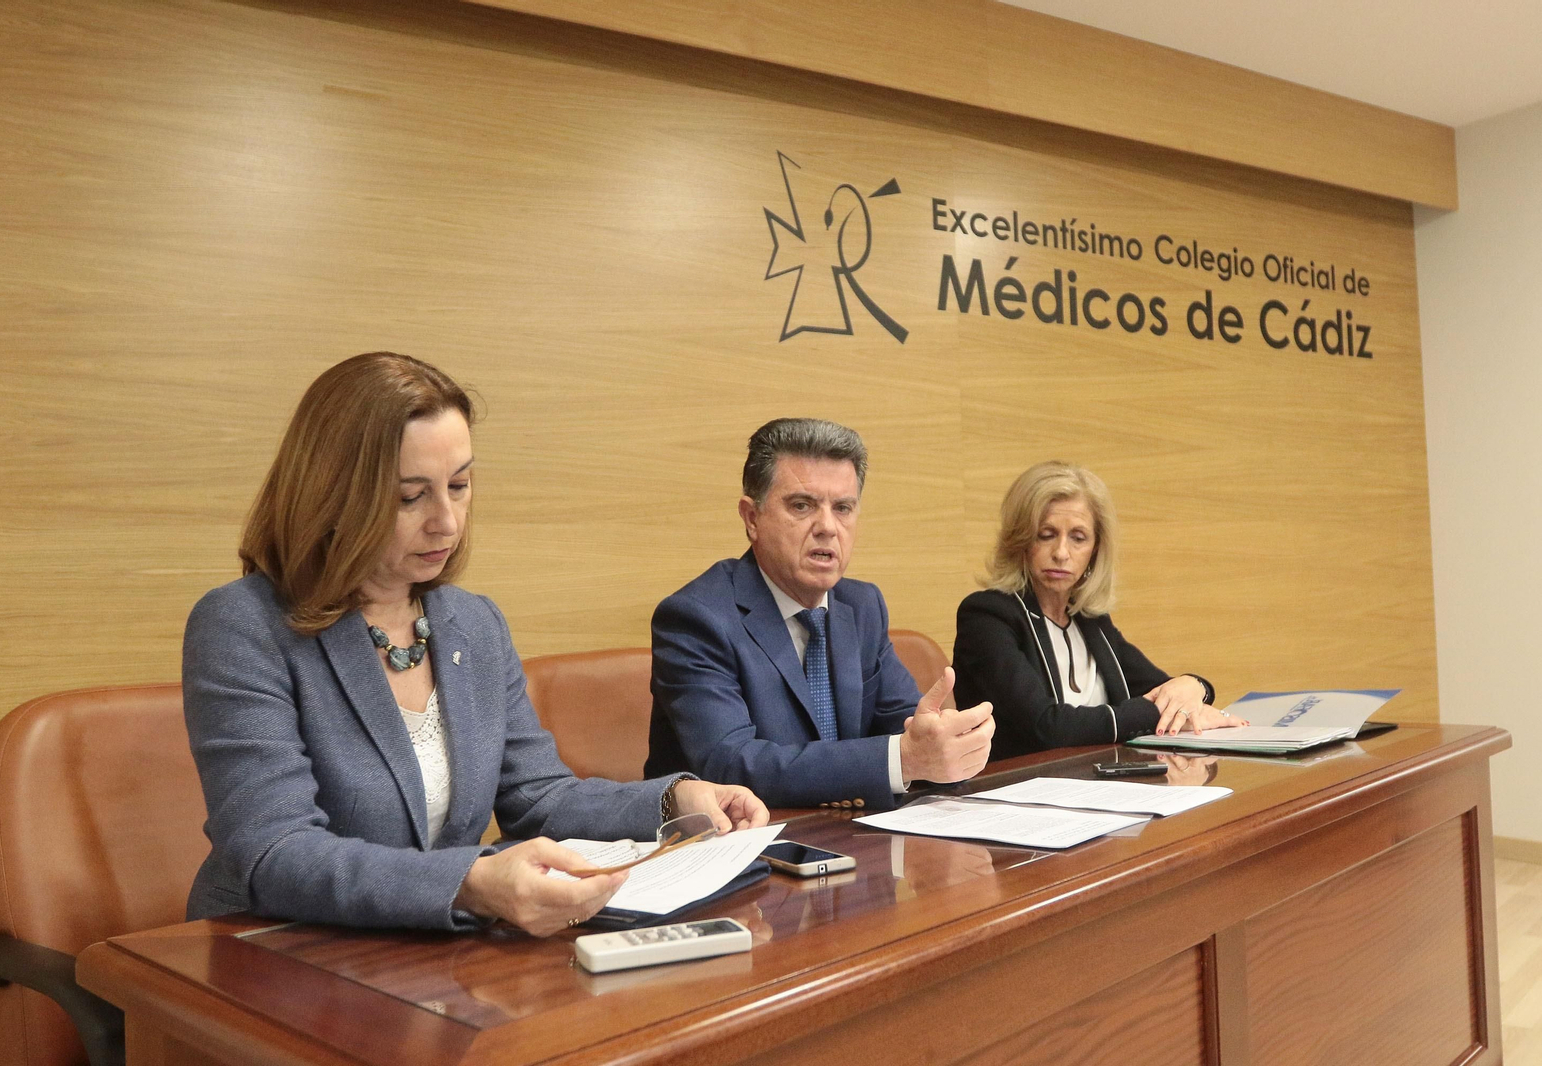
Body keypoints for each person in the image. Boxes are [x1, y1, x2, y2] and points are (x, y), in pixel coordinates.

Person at [183, 352, 766, 935]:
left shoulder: (473, 622)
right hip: (269, 950)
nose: (447, 521)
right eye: (410, 497)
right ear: (331, 493)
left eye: (459, 485)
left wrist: (675, 801)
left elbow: (535, 794)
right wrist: (468, 884)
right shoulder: (243, 626)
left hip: (423, 951)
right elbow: (276, 850)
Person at [645, 418, 994, 809]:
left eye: (843, 508)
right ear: (752, 518)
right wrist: (900, 760)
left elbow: (900, 724)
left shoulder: (862, 606)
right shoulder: (696, 618)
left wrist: (941, 739)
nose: (828, 527)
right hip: (733, 847)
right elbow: (730, 765)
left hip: (848, 839)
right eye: (801, 505)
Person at [952, 461, 1242, 760]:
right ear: (1020, 541)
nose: (1062, 553)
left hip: (1099, 786)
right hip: (1015, 790)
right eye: (1046, 534)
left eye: (1078, 538)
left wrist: (1194, 686)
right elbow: (1047, 727)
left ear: (1095, 550)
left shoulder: (1089, 621)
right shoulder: (987, 617)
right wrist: (1157, 711)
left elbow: (1161, 688)